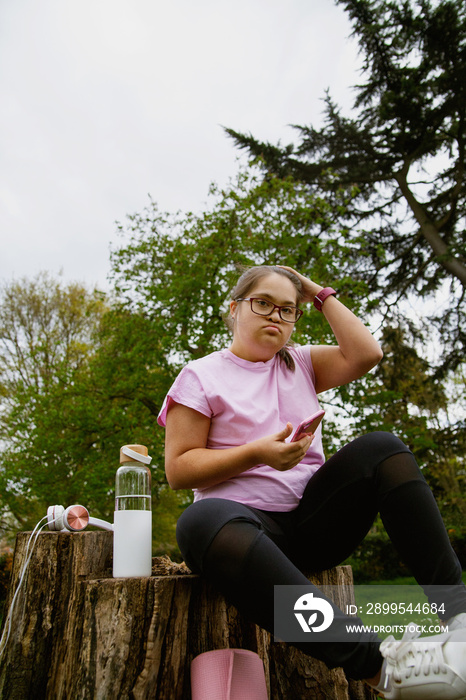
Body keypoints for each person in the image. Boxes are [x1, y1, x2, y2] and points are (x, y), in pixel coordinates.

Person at [157, 264, 466, 699]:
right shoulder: (200, 375)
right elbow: (178, 469)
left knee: (383, 448)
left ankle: (459, 617)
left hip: (314, 525)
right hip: (245, 537)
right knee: (198, 520)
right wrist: (257, 454)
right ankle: (383, 670)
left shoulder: (298, 361)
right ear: (234, 308)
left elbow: (366, 354)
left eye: (287, 310)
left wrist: (318, 292)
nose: (275, 316)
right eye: (263, 303)